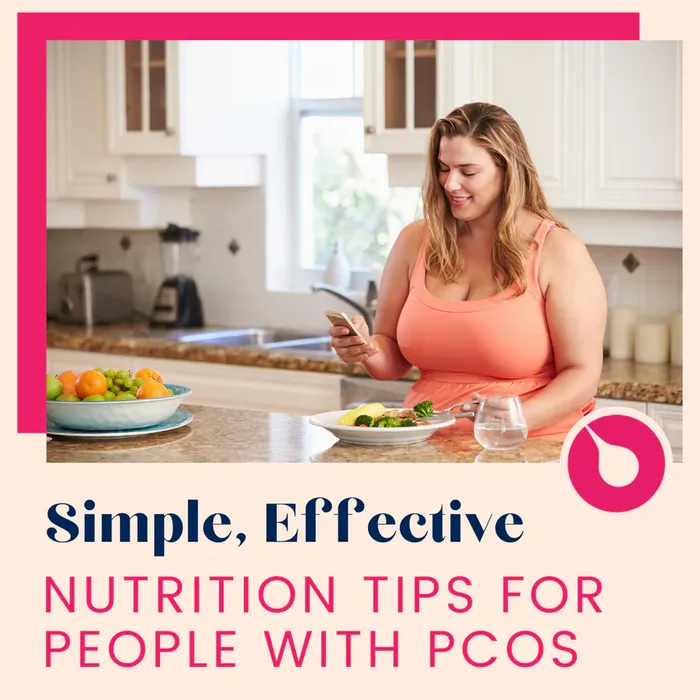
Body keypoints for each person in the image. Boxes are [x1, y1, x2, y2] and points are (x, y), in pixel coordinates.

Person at [329, 102, 607, 441]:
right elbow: (393, 359)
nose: (450, 184)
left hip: (531, 446)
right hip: (428, 446)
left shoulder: (558, 251)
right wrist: (367, 349)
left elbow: (582, 375)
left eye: (468, 171)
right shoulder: (414, 241)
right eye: (443, 168)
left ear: (507, 170)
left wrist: (514, 417)